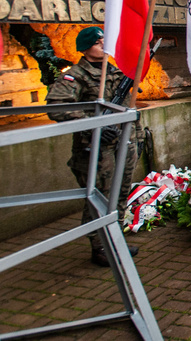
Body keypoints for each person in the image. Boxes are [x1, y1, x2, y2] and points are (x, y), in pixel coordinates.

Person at [45, 26, 140, 267]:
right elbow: (57, 107)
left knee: (119, 192)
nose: (104, 45)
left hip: (122, 141)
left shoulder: (113, 70)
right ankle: (99, 247)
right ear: (86, 48)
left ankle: (115, 240)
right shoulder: (75, 75)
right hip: (96, 147)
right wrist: (94, 124)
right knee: (99, 196)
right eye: (99, 42)